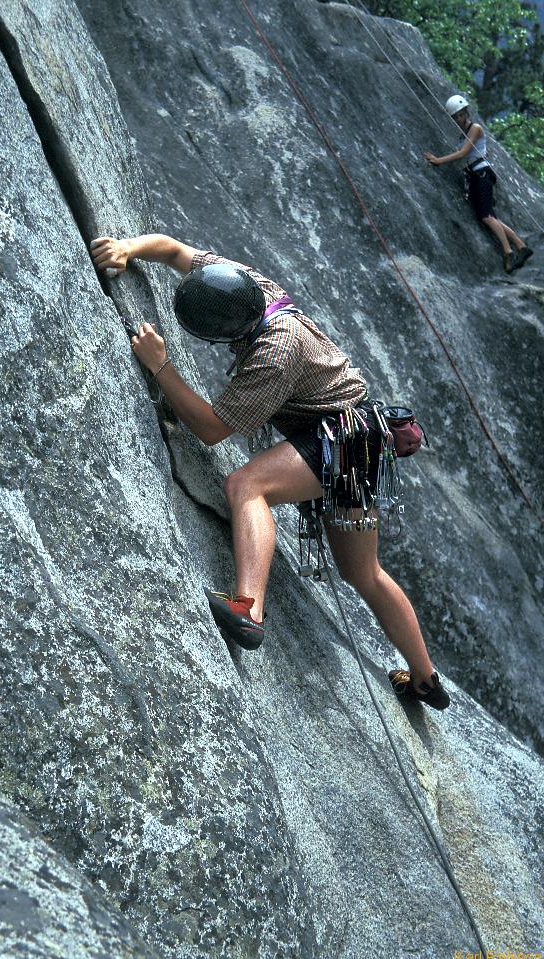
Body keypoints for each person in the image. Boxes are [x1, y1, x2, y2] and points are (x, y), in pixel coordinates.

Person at [89, 233, 450, 710]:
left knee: (247, 486)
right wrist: (128, 248)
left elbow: (211, 428)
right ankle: (424, 679)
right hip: (362, 439)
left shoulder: (273, 355)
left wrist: (161, 367)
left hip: (339, 439)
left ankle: (249, 609)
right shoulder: (244, 284)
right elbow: (174, 250)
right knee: (364, 573)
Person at [424, 95, 533, 274]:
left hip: (482, 174)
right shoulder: (463, 135)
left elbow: (463, 153)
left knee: (486, 217)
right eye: (455, 117)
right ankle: (521, 246)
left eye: (461, 115)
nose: (459, 118)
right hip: (475, 176)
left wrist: (438, 160)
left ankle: (508, 251)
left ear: (466, 112)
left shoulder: (475, 128)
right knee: (491, 217)